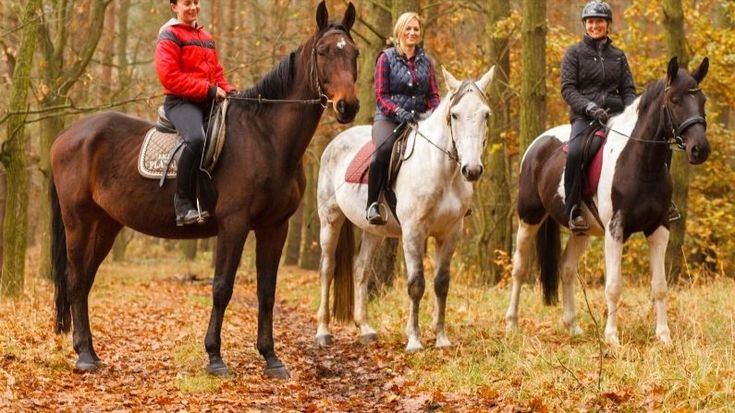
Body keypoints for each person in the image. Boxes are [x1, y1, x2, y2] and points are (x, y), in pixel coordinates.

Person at [155, 0, 236, 226]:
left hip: (207, 101)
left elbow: (217, 74)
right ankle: (182, 203)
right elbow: (169, 76)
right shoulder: (169, 35)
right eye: (186, 3)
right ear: (174, 7)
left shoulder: (206, 37)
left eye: (196, 2)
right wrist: (209, 90)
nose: (193, 7)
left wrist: (230, 91)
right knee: (196, 138)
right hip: (181, 103)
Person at [560, 1, 636, 233]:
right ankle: (573, 209)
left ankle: (662, 202)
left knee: (652, 141)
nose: (595, 25)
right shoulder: (574, 53)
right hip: (586, 117)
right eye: (591, 21)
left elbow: (628, 90)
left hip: (616, 116)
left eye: (599, 21)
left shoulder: (618, 56)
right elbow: (568, 89)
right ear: (585, 24)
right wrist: (590, 107)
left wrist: (632, 112)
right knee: (575, 152)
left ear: (607, 24)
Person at [366, 12, 441, 225]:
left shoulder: (426, 61)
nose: (412, 33)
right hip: (389, 119)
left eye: (416, 29)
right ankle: (373, 203)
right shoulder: (385, 58)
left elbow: (434, 95)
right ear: (399, 31)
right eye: (408, 28)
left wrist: (437, 113)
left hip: (421, 120)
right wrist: (399, 112)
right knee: (382, 152)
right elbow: (381, 96)